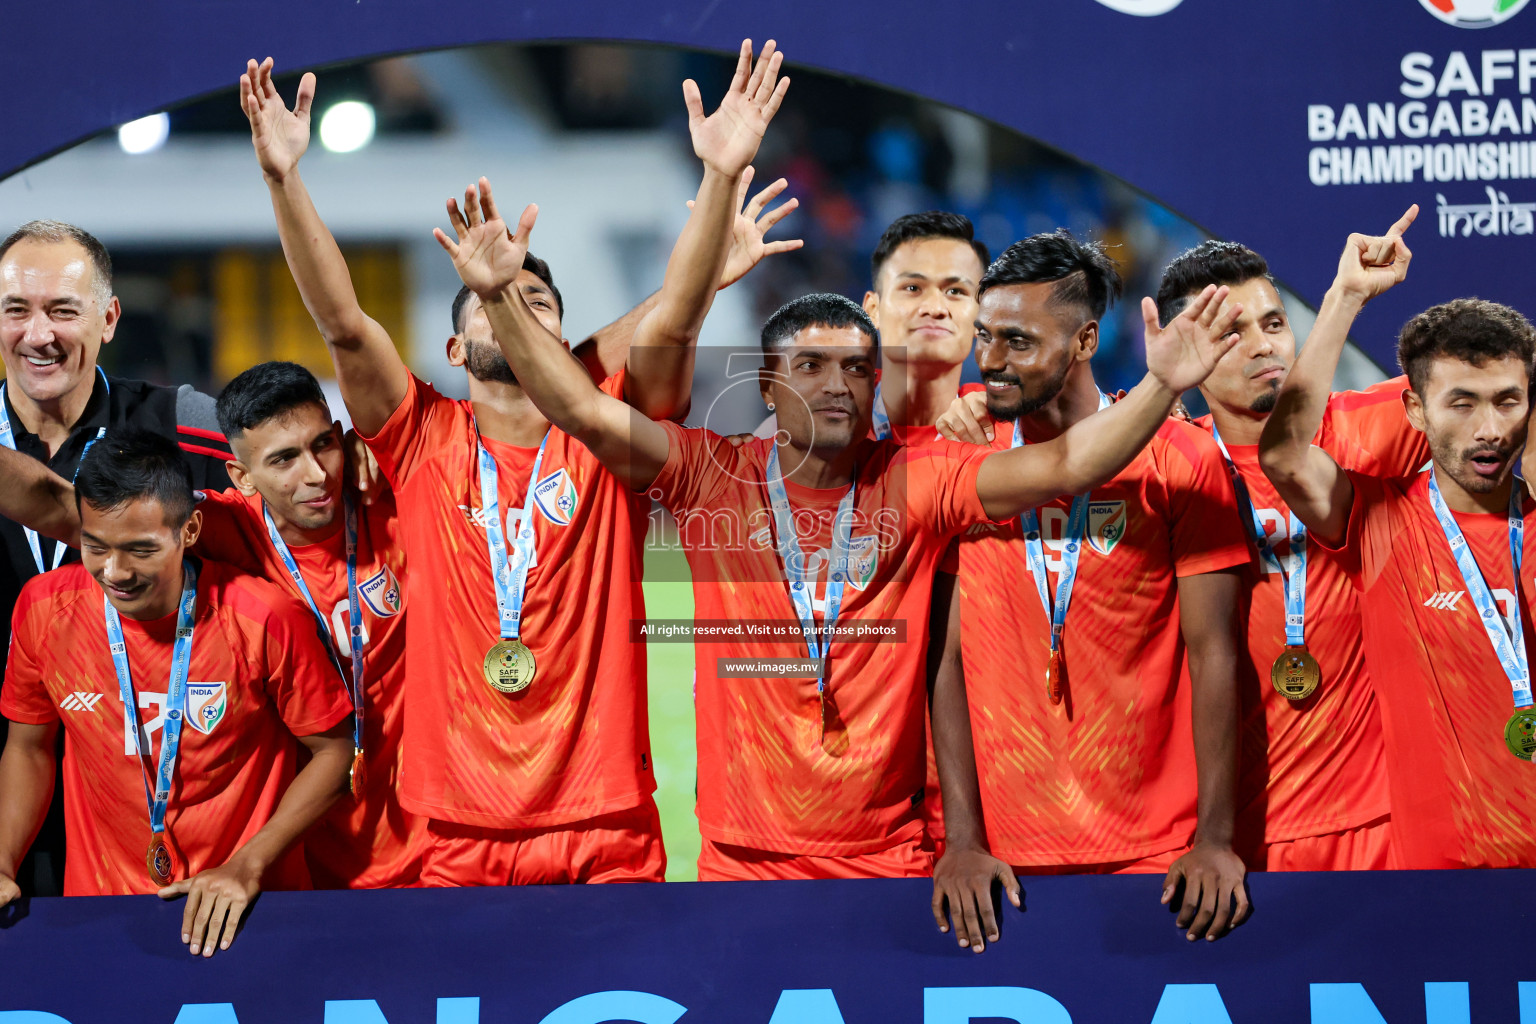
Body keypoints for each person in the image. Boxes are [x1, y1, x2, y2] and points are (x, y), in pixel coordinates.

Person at [432, 176, 1244, 881]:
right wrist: (502, 302)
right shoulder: (710, 474)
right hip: (739, 859)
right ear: (767, 383)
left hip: (890, 858)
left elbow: (1065, 468)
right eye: (808, 368)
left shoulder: (919, 477)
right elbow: (577, 407)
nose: (837, 387)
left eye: (857, 368)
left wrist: (1157, 386)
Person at [241, 40, 790, 883]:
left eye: (540, 302)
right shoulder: (422, 435)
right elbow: (346, 323)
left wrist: (719, 179)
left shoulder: (608, 440)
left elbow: (671, 326)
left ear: (562, 344)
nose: (518, 306)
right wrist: (283, 179)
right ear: (456, 346)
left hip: (606, 819)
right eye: (497, 301)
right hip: (457, 828)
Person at [928, 231, 1250, 951]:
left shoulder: (1181, 458)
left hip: (1158, 857)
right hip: (1002, 868)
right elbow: (943, 661)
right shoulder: (958, 461)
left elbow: (1215, 657)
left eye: (1017, 340)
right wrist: (963, 838)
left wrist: (1214, 837)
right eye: (984, 336)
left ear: (1083, 342)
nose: (991, 361)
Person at [0, 430, 353, 956]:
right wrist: (3, 860)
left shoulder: (264, 619)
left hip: (249, 917)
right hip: (103, 918)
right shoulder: (44, 609)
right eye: (95, 546)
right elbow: (29, 748)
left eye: (140, 549)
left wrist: (247, 864)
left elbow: (336, 752)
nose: (114, 572)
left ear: (189, 529)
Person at [1259, 211, 1536, 869]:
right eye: (1461, 403)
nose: (1489, 428)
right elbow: (1285, 455)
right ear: (1415, 410)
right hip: (1434, 891)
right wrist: (1344, 297)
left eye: (1507, 401)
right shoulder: (1382, 519)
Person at [1153, 226, 1428, 872]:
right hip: (1231, 838)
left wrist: (1349, 293)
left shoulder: (1373, 427)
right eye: (1231, 333)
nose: (1262, 346)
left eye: (1273, 324)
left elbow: (1489, 386)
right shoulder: (1161, 467)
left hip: (1382, 822)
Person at [0, 220, 234, 894]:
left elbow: (298, 466)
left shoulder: (183, 425)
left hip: (147, 816)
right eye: (17, 310)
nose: (37, 334)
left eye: (62, 310)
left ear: (108, 318)